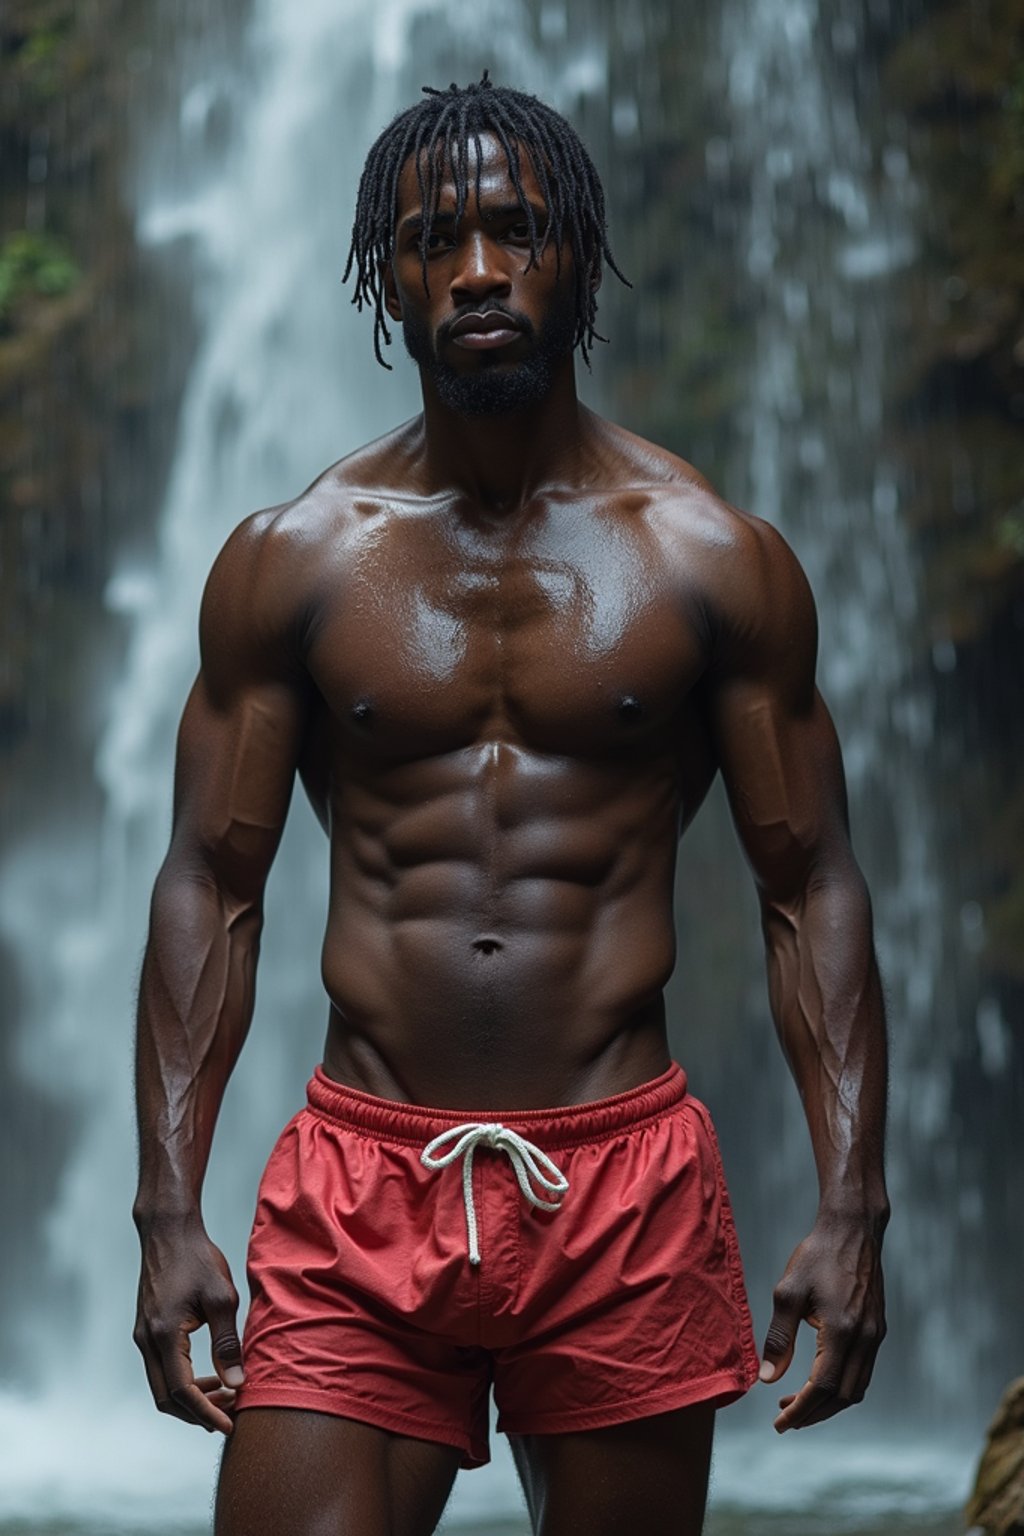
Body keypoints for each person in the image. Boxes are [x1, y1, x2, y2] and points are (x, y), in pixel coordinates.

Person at [132, 73, 889, 1536]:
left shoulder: (708, 559)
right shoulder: (292, 559)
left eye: (516, 230)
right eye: (436, 239)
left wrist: (856, 1210)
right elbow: (209, 884)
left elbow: (812, 888)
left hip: (620, 1190)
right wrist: (167, 1213)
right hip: (360, 1182)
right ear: (387, 276)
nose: (477, 268)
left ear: (578, 256)